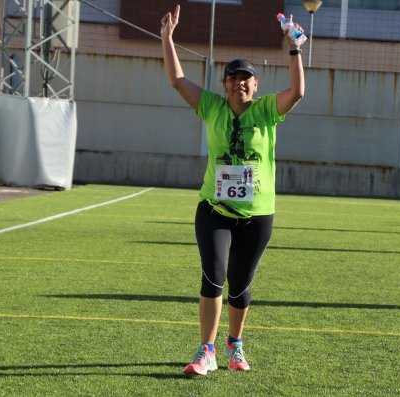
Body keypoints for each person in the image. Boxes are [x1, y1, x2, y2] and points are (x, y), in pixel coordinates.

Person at [161, 5, 305, 375]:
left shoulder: (267, 110)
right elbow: (178, 80)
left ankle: (235, 346)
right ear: (223, 84)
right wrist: (167, 39)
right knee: (213, 276)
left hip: (258, 216)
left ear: (256, 85)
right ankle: (206, 349)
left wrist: (294, 48)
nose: (239, 82)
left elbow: (298, 92)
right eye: (233, 77)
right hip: (214, 210)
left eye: (247, 78)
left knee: (240, 286)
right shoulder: (210, 107)